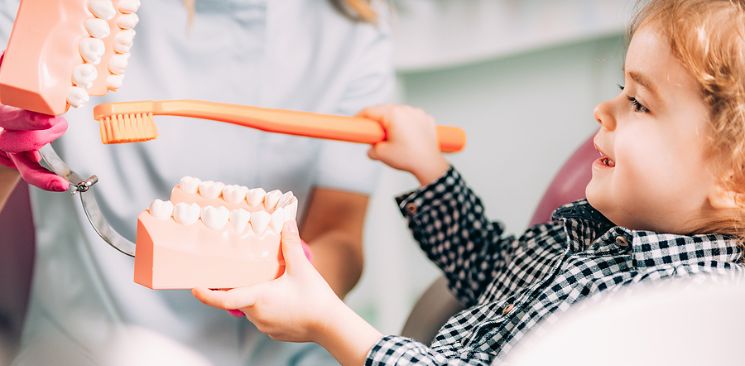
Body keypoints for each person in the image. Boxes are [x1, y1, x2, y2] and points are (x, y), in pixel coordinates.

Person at [192, 0, 745, 364]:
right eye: (620, 88)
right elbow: (490, 272)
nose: (603, 110)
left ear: (733, 181)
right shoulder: (595, 232)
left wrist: (331, 323)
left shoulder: (670, 319)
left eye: (640, 103)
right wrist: (430, 171)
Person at [0, 0, 392, 364]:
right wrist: (2, 155)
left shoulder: (351, 28)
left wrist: (298, 285)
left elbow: (340, 234)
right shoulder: (49, 8)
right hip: (85, 346)